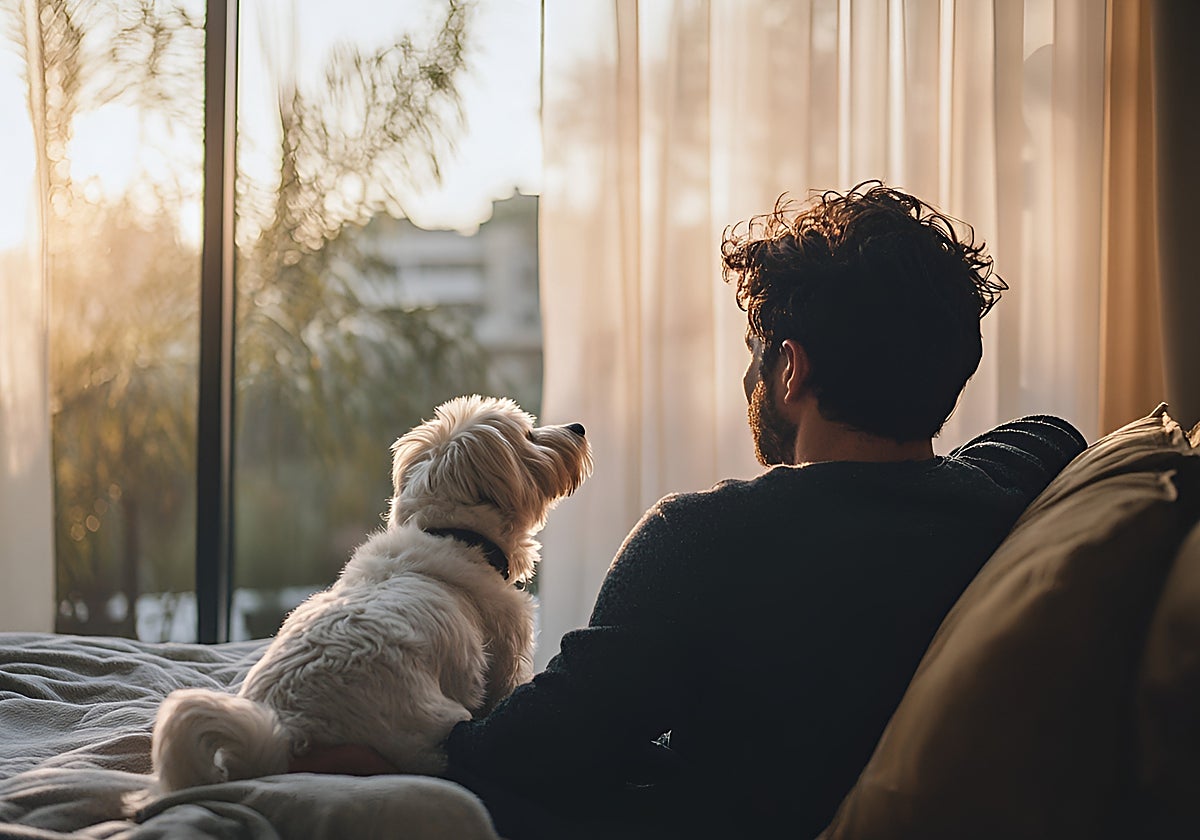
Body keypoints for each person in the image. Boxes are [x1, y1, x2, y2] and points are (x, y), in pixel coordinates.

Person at [292, 183, 1087, 839]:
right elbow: (1050, 432)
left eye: (755, 353)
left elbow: (538, 749)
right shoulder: (1001, 496)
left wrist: (381, 763)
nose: (748, 379)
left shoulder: (702, 540)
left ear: (790, 370)